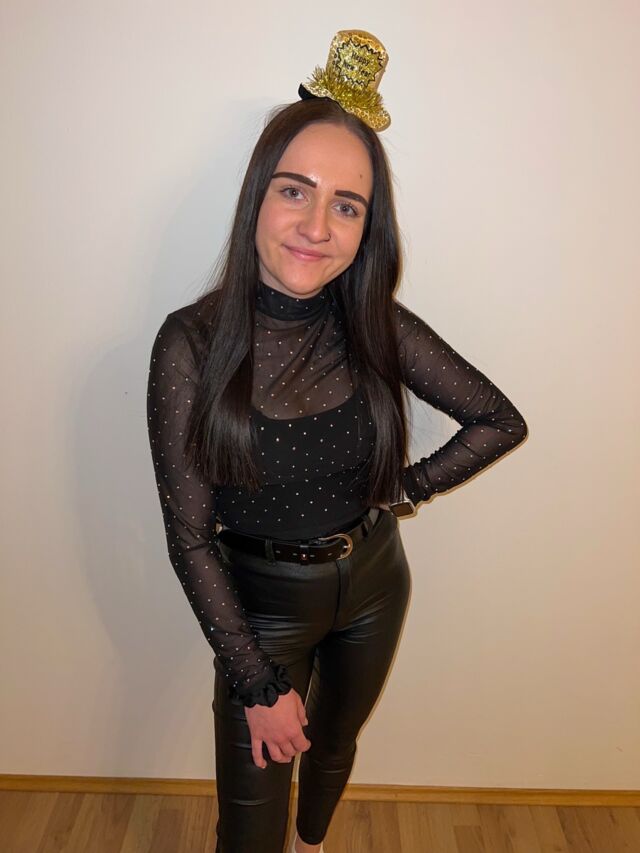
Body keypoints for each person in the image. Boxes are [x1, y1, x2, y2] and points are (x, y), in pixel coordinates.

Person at [146, 29, 528, 853]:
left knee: (333, 749)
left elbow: (500, 419)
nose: (317, 225)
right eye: (296, 191)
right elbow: (189, 535)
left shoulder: (376, 323)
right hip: (260, 611)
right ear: (257, 197)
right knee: (249, 831)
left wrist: (408, 487)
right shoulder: (189, 344)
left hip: (376, 585)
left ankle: (315, 844)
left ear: (365, 227)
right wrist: (257, 683)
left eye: (347, 205)